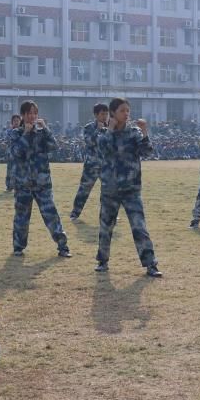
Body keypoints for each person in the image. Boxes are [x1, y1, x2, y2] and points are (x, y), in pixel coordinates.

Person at [95, 97, 162, 277]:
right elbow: (102, 150)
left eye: (127, 110)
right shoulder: (103, 133)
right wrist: (110, 129)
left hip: (131, 189)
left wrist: (145, 132)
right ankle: (102, 261)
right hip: (110, 188)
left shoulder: (134, 132)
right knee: (106, 227)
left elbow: (147, 152)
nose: (126, 114)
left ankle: (150, 264)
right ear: (113, 113)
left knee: (139, 227)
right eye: (122, 111)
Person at [8, 101, 71, 259]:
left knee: (51, 215)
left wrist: (47, 130)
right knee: (21, 217)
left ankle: (63, 246)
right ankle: (18, 247)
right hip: (23, 183)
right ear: (23, 115)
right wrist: (25, 134)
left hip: (42, 183)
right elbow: (15, 153)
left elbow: (54, 147)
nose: (32, 116)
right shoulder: (16, 133)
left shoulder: (42, 132)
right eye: (29, 113)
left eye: (35, 113)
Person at [70, 103, 109, 221]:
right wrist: (98, 130)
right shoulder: (89, 128)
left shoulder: (110, 128)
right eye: (102, 114)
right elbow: (90, 142)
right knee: (84, 190)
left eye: (106, 114)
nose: (105, 116)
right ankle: (75, 214)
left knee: (108, 192)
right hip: (91, 165)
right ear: (96, 115)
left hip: (107, 165)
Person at [4, 113, 22, 192]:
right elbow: (7, 140)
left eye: (18, 121)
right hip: (11, 154)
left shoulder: (22, 131)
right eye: (14, 121)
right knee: (9, 170)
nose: (16, 122)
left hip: (20, 155)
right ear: (12, 122)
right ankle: (9, 186)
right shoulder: (9, 131)